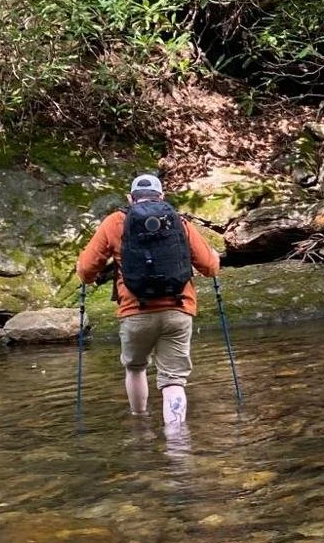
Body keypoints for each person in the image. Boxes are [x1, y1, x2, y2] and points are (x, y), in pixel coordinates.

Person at [77, 174, 221, 425]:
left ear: (130, 198)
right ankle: (177, 443)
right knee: (174, 381)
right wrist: (215, 257)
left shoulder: (114, 223)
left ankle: (140, 426)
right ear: (162, 197)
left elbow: (87, 270)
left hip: (135, 311)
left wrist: (85, 271)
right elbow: (209, 267)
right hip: (178, 309)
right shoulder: (179, 221)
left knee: (135, 368)